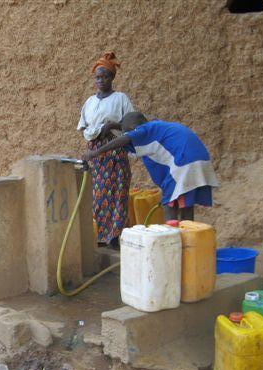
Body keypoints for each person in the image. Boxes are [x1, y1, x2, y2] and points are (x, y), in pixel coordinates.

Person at [82, 112, 218, 221]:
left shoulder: (144, 129)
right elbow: (130, 127)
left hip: (184, 164)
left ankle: (170, 244)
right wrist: (115, 126)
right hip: (200, 161)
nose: (126, 134)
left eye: (127, 132)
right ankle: (188, 245)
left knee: (169, 205)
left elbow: (125, 138)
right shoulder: (156, 128)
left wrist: (95, 153)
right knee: (185, 206)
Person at [77, 52, 134, 248]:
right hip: (95, 153)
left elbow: (131, 125)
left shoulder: (121, 99)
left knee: (118, 191)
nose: (101, 80)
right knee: (99, 193)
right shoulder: (90, 103)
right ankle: (100, 235)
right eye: (98, 77)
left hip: (115, 152)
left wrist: (113, 126)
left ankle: (114, 237)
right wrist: (96, 132)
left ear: (112, 78)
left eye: (105, 76)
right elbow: (83, 127)